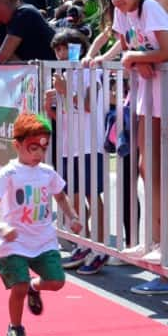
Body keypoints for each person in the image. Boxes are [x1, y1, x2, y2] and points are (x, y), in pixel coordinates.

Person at [90, 0, 168, 265]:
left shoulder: (150, 7)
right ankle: (155, 240)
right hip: (148, 98)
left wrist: (138, 57)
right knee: (148, 169)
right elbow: (127, 51)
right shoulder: (123, 14)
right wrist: (137, 60)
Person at [0, 113, 82, 336]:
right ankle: (15, 328)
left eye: (43, 148)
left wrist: (73, 216)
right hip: (14, 242)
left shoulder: (47, 172)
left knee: (57, 282)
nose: (39, 154)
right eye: (33, 147)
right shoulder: (9, 173)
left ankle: (34, 288)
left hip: (44, 240)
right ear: (17, 145)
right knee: (18, 286)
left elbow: (60, 195)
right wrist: (1, 225)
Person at [46, 29, 108, 276]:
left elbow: (88, 106)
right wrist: (49, 105)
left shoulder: (91, 72)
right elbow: (61, 113)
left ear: (80, 47)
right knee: (72, 194)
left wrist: (64, 92)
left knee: (92, 194)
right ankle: (84, 243)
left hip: (89, 143)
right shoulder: (61, 74)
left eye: (66, 48)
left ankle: (101, 247)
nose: (62, 53)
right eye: (58, 49)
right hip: (69, 145)